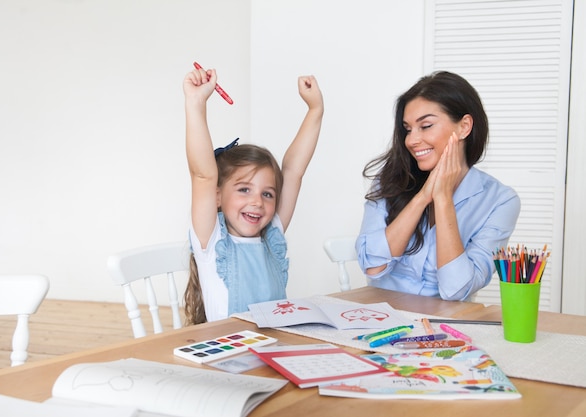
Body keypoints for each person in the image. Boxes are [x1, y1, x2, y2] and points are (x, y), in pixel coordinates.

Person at [356, 71, 520, 301]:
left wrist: (442, 198)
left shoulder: (500, 201)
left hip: (445, 324)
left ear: (464, 127)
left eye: (426, 126)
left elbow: (457, 290)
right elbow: (372, 266)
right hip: (384, 317)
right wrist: (422, 197)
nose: (412, 140)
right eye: (408, 129)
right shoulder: (390, 180)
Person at [183, 66, 324, 325]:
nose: (258, 202)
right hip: (228, 360)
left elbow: (293, 170)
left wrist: (315, 110)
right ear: (217, 197)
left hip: (272, 353)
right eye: (244, 189)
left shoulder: (272, 237)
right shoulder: (212, 242)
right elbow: (202, 174)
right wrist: (196, 102)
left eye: (268, 194)